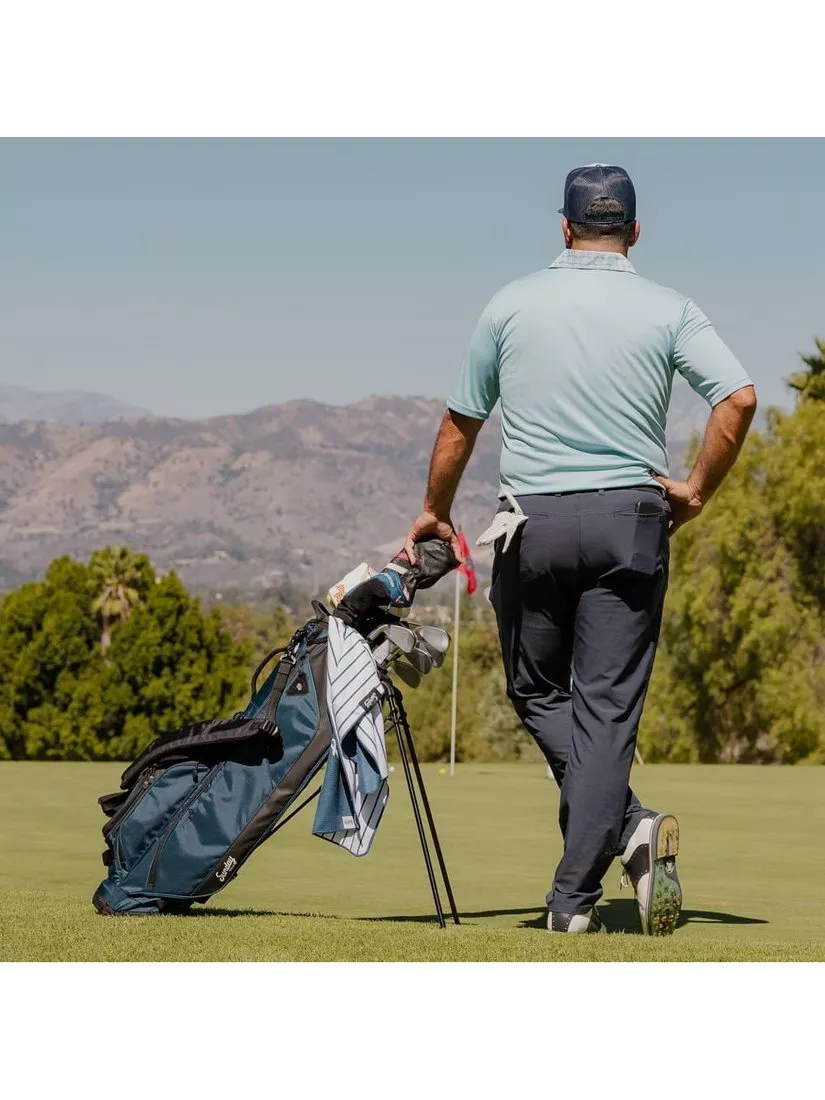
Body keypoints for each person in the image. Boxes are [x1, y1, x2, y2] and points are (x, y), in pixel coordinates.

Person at [404, 164, 757, 935]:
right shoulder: (670, 308)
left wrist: (434, 512)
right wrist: (694, 490)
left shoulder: (510, 302)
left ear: (563, 228)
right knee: (604, 713)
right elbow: (738, 398)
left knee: (535, 690)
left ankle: (573, 898)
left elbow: (461, 423)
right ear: (633, 232)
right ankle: (623, 830)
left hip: (530, 526)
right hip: (629, 521)